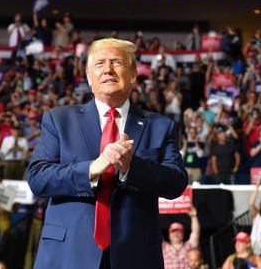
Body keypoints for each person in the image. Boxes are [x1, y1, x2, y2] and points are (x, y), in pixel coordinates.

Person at [27, 38, 188, 269]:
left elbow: (176, 183)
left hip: (136, 256)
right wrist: (93, 168)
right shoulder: (59, 120)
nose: (108, 70)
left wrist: (132, 167)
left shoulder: (160, 126)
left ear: (133, 74)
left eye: (116, 62)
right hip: (68, 255)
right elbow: (38, 178)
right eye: (100, 63)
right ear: (89, 77)